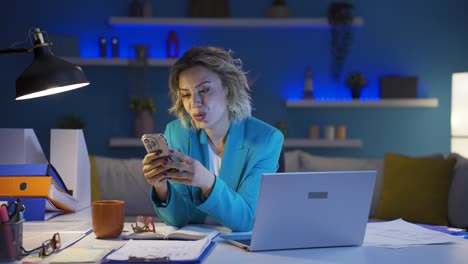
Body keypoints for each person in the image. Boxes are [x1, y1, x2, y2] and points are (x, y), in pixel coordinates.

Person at [142, 46, 284, 232]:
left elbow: (246, 220)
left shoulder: (267, 140)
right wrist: (161, 188)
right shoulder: (177, 133)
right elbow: (179, 218)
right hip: (195, 247)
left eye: (204, 90)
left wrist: (207, 182)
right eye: (186, 94)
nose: (194, 103)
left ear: (227, 88)